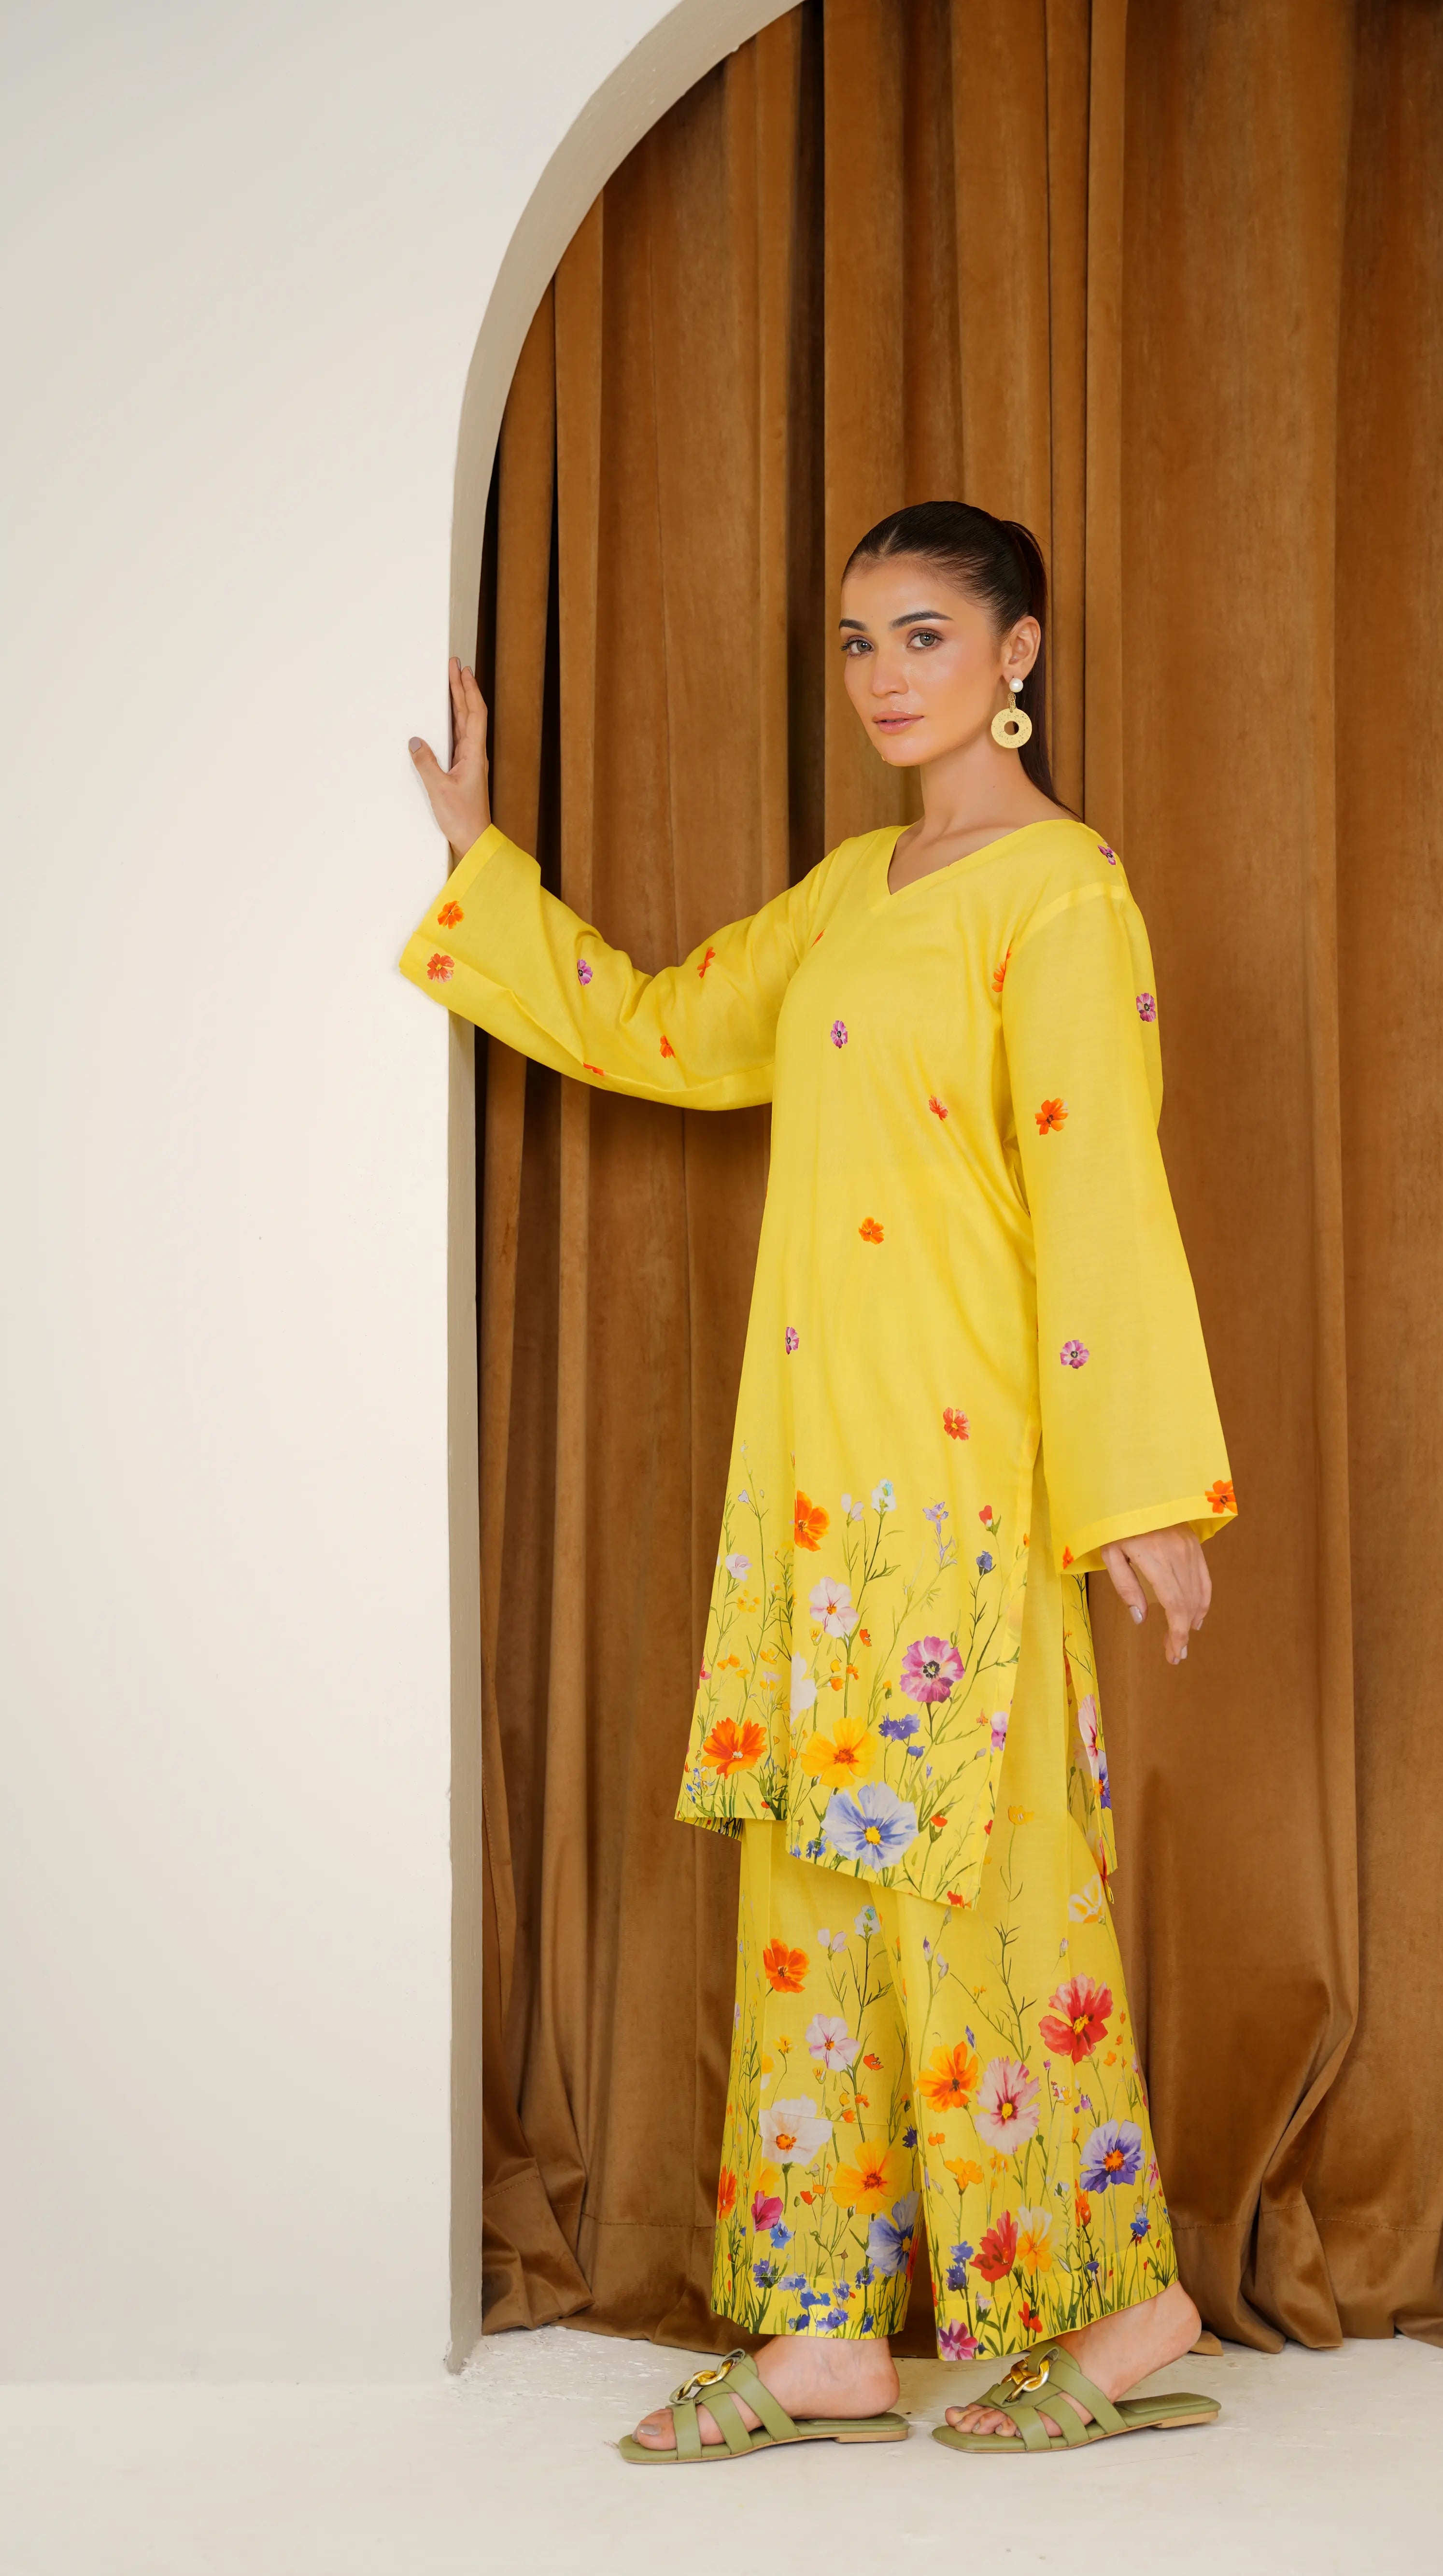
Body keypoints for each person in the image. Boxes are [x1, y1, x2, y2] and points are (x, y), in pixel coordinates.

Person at [402, 499, 1237, 2461]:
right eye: (857, 639)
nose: (880, 674)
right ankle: (826, 2332)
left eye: (924, 633)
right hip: (813, 1484)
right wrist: (481, 866)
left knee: (986, 1897)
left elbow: (1102, 1193)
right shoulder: (857, 887)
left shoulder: (1061, 894)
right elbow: (668, 1028)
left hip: (967, 1477)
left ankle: (1123, 2308)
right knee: (814, 1901)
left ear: (1017, 654)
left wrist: (1134, 1489)